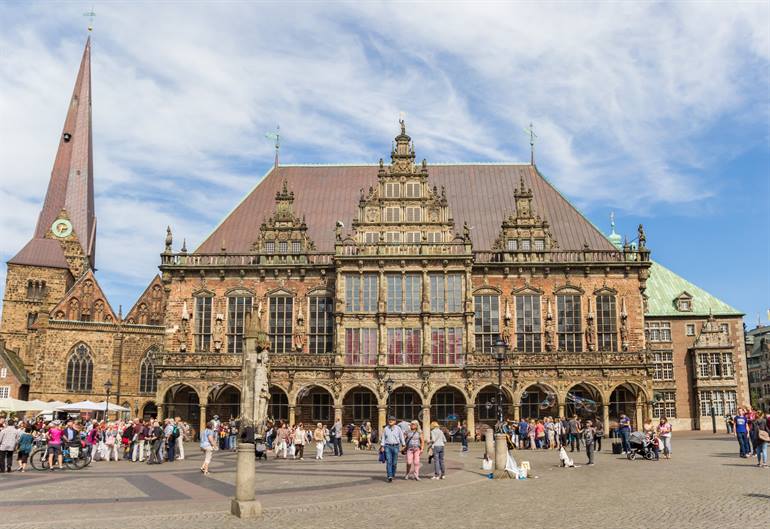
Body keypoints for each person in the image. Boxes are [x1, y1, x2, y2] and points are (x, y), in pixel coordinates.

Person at [380, 416, 405, 482]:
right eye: (389, 420)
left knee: (394, 462)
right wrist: (382, 446)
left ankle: (393, 473)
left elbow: (401, 436)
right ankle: (389, 476)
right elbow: (383, 438)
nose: (390, 421)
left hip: (396, 446)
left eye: (392, 420)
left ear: (395, 421)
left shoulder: (398, 428)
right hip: (387, 446)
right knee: (389, 461)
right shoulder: (386, 428)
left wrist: (403, 444)